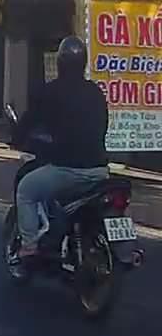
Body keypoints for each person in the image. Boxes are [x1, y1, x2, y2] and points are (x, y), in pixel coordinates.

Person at [12, 35, 110, 259]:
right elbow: (103, 126)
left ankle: (29, 245)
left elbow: (29, 121)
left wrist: (17, 138)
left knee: (26, 191)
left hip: (67, 169)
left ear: (60, 62)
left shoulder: (50, 91)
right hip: (100, 170)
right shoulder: (95, 92)